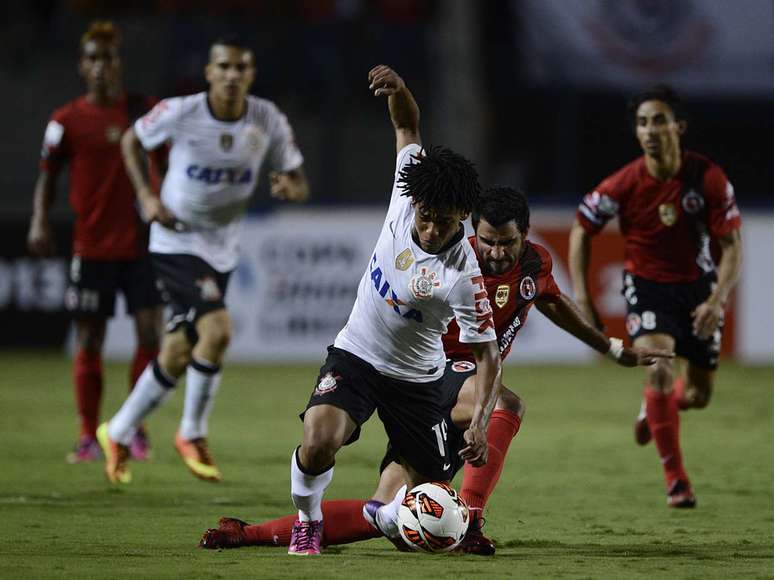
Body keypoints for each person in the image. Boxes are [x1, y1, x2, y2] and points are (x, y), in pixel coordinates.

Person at [200, 186, 670, 554]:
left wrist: (612, 348)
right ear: (473, 233)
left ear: (525, 235)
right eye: (487, 241)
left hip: (439, 400)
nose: (497, 253)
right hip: (431, 376)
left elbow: (551, 299)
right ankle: (472, 519)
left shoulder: (534, 263)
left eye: (507, 243)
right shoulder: (457, 267)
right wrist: (481, 421)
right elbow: (479, 355)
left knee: (389, 516)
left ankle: (249, 533)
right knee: (508, 402)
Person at [283, 65, 501, 556]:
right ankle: (307, 521)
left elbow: (488, 356)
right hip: (357, 353)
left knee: (430, 502)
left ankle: (387, 515)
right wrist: (400, 90)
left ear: (462, 217)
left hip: (417, 381)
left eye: (442, 221)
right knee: (319, 439)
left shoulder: (463, 276)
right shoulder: (409, 190)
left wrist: (482, 422)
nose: (428, 227)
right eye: (424, 215)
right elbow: (407, 126)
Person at [96, 35, 309, 485]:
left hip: (223, 248)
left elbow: (296, 178)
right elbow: (132, 140)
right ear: (209, 72)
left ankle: (116, 431)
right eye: (224, 67)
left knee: (176, 352)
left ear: (250, 75)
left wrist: (290, 189)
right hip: (176, 241)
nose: (232, 75)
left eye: (242, 68)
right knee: (218, 330)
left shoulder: (266, 119)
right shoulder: (182, 112)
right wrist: (146, 196)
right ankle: (191, 433)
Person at [568, 86, 743, 508]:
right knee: (660, 369)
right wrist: (582, 294)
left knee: (698, 396)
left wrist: (717, 299)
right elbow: (580, 229)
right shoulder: (624, 183)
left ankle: (656, 409)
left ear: (678, 127)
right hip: (646, 288)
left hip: (698, 290)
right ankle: (676, 481)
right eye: (643, 123)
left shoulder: (708, 179)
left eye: (659, 120)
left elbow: (734, 247)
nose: (650, 130)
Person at [27, 21, 163, 464]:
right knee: (90, 340)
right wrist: (39, 222)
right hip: (92, 248)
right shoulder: (65, 122)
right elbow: (47, 179)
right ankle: (88, 435)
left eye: (108, 58)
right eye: (93, 58)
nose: (101, 66)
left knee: (150, 335)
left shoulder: (144, 112)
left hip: (144, 245)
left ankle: (133, 430)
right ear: (82, 66)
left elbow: (175, 155)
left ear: (119, 63)